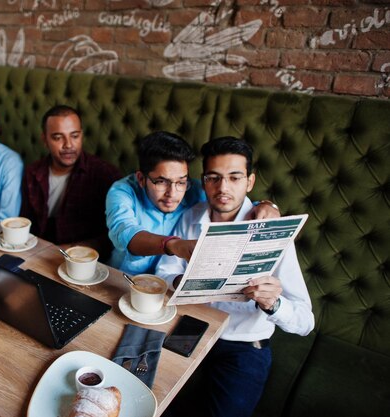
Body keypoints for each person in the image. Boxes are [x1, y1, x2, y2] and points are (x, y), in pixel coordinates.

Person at [156, 136, 314, 417]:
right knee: (150, 398)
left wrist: (273, 304)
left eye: (234, 177)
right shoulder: (191, 217)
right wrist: (181, 282)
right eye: (213, 178)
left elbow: (305, 322)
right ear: (202, 181)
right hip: (190, 327)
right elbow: (166, 272)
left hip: (244, 344)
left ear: (250, 182)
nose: (223, 188)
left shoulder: (272, 231)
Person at [106, 131, 279, 276]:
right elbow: (126, 233)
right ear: (141, 179)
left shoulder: (196, 191)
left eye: (181, 182)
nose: (172, 193)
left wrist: (265, 205)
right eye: (161, 181)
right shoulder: (122, 192)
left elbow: (228, 200)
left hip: (167, 289)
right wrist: (174, 245)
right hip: (122, 279)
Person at [20, 105, 122, 255]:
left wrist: (67, 250)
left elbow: (113, 236)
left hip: (83, 259)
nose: (68, 145)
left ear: (81, 135)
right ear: (45, 140)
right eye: (58, 137)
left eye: (74, 136)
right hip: (36, 252)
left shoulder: (105, 175)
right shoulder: (33, 172)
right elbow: (26, 221)